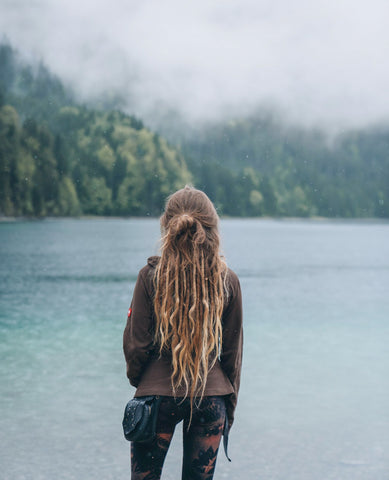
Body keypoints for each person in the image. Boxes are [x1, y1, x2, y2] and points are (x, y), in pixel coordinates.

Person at [123, 186, 243, 480]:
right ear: (212, 228)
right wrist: (229, 406)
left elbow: (136, 346)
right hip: (211, 396)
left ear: (168, 226)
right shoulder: (227, 281)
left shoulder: (149, 276)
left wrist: (144, 381)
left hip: (155, 400)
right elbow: (232, 355)